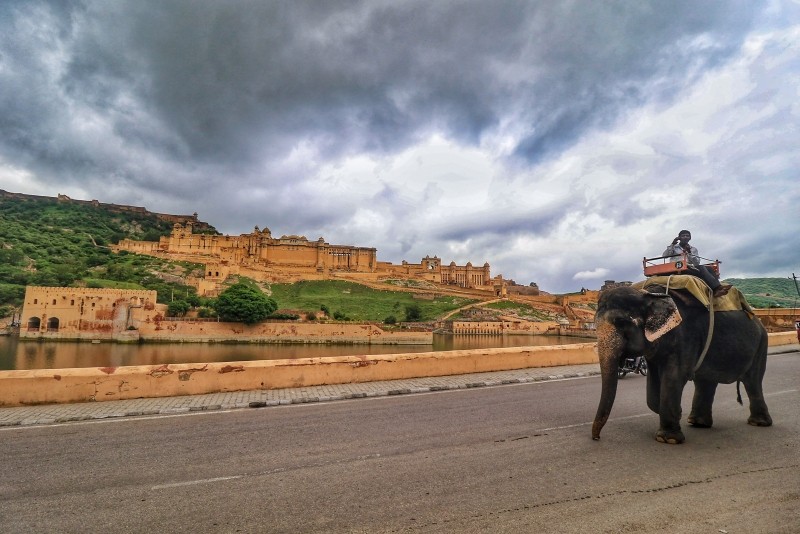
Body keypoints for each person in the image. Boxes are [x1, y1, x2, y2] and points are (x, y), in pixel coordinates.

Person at [662, 230, 731, 298]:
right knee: (701, 267)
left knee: (709, 268)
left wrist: (689, 252)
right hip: (677, 267)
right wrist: (673, 244)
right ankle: (716, 288)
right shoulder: (674, 247)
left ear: (690, 238)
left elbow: (696, 263)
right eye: (683, 236)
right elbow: (665, 256)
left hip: (688, 267)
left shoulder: (693, 249)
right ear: (679, 238)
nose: (685, 237)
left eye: (687, 236)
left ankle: (718, 288)